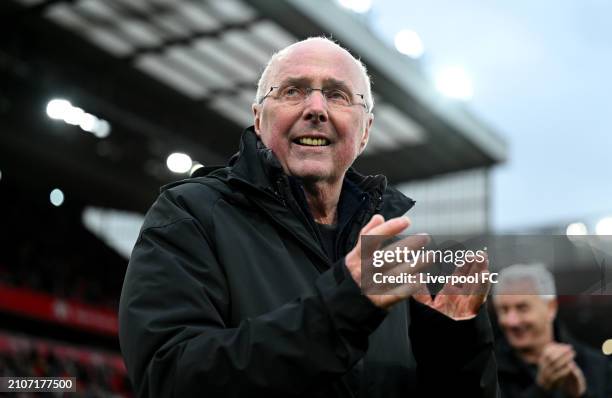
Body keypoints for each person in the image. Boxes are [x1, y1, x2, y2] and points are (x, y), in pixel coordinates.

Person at [119, 37, 498, 398]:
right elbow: (168, 380)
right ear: (258, 119)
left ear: (365, 131)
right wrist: (343, 308)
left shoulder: (393, 265)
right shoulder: (191, 216)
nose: (316, 108)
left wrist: (456, 349)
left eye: (337, 95)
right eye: (293, 91)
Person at [492, 263, 611, 397]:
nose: (511, 321)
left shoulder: (597, 367)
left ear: (551, 308)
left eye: (522, 308)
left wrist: (579, 395)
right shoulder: (487, 372)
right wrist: (541, 389)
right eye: (504, 310)